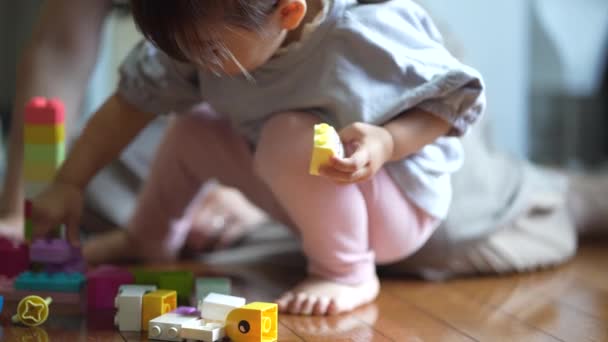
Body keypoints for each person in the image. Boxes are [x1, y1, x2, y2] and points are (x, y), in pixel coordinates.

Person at [18, 0, 608, 317]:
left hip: (399, 208)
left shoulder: (367, 29)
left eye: (208, 52)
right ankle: (149, 237)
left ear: (290, 12)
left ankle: (348, 272)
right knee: (195, 124)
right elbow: (129, 105)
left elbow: (453, 100)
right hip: (310, 184)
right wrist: (69, 181)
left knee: (287, 137)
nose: (188, 63)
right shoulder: (197, 44)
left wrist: (387, 143)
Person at [1, 0, 268, 248]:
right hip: (169, 143)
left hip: (268, 161)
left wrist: (253, 191)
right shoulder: (167, 70)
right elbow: (61, 50)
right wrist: (24, 209)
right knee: (85, 158)